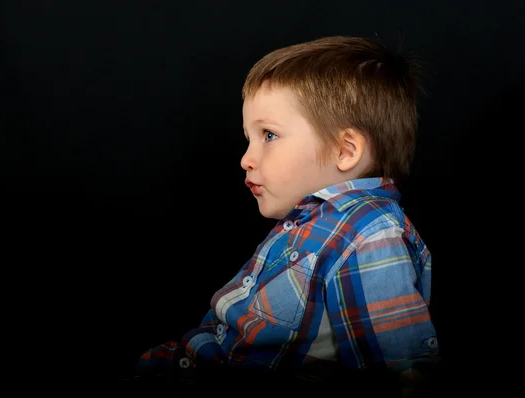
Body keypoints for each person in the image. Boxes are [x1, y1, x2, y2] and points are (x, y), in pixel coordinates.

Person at [124, 35, 440, 397]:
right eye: (248, 138)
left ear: (345, 150)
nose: (246, 158)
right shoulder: (312, 221)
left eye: (269, 135)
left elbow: (401, 374)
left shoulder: (369, 235)